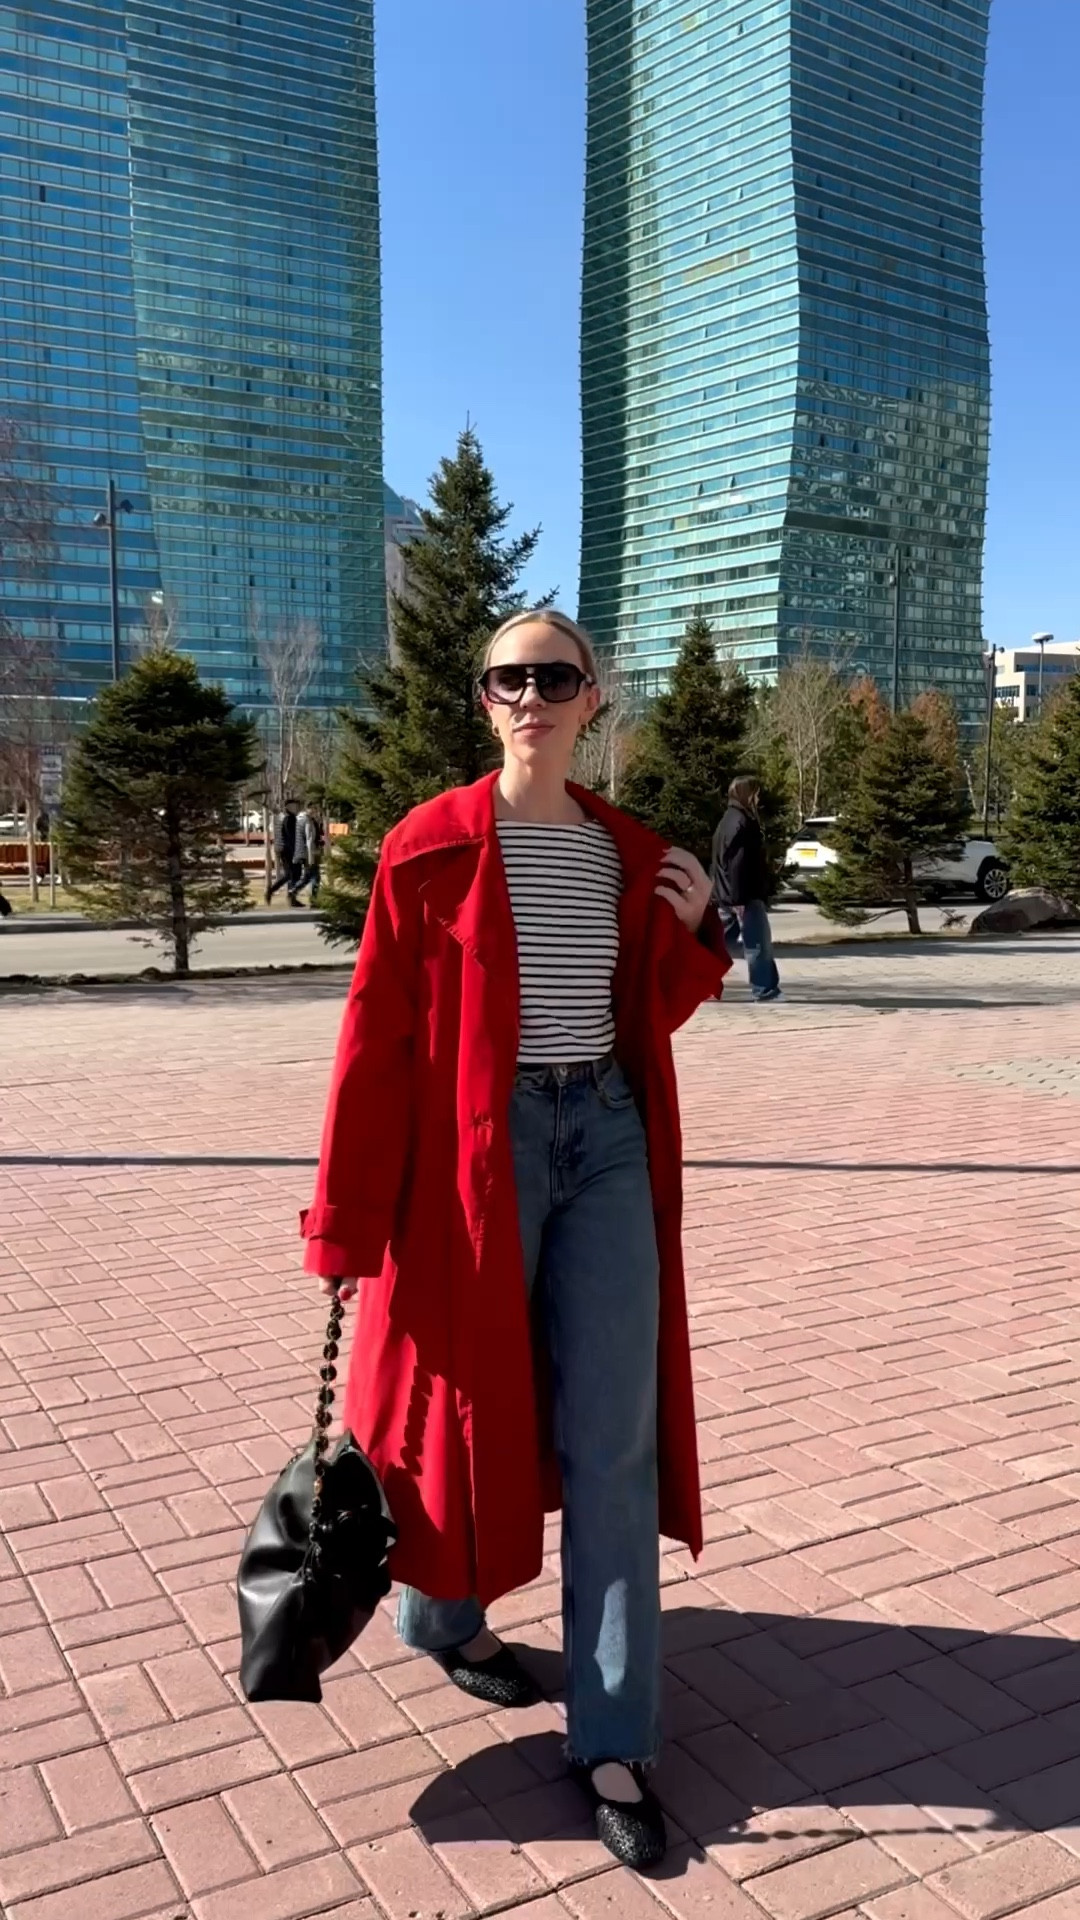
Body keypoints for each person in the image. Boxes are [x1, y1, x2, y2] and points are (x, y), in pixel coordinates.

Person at [301, 609, 731, 1868]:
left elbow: (644, 1009)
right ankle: (444, 1614)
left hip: (601, 1138)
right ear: (483, 700)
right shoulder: (426, 848)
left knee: (611, 1440)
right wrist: (345, 1219)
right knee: (463, 1401)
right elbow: (375, 1041)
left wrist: (701, 932)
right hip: (469, 1167)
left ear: (594, 698)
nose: (531, 695)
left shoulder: (626, 852)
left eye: (556, 677)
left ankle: (614, 1736)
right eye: (509, 677)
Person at [710, 775, 781, 1002]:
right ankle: (765, 990)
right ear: (747, 794)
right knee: (758, 944)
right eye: (755, 792)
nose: (758, 798)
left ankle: (701, 983)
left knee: (720, 944)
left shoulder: (729, 820)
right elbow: (737, 863)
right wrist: (738, 898)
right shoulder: (742, 822)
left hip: (727, 895)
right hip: (743, 895)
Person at [289, 804, 324, 907]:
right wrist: (311, 856)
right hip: (309, 853)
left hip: (302, 852)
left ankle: (293, 891)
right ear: (308, 809)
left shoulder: (300, 819)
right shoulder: (307, 821)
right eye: (313, 809)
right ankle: (314, 900)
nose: (315, 812)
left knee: (308, 877)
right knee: (315, 877)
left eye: (316, 809)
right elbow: (309, 839)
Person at [266, 801, 300, 903]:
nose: (297, 808)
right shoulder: (289, 819)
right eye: (295, 806)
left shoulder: (285, 818)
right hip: (289, 850)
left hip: (285, 850)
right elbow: (291, 837)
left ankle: (291, 897)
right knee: (291, 874)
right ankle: (272, 890)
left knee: (293, 874)